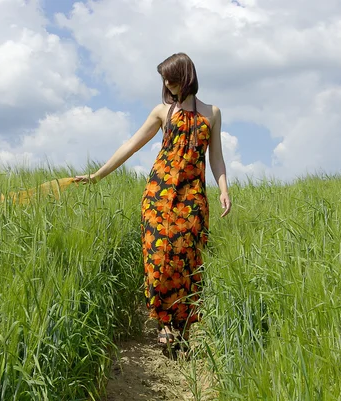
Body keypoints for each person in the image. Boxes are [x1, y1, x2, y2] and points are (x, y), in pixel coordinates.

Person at [74, 52, 231, 351]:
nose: (168, 84)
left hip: (193, 198)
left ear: (185, 76)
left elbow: (216, 157)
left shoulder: (212, 112)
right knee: (158, 260)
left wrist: (224, 190)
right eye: (164, 80)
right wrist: (97, 175)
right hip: (158, 196)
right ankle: (163, 323)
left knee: (187, 262)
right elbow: (131, 145)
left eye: (172, 78)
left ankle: (183, 329)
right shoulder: (162, 112)